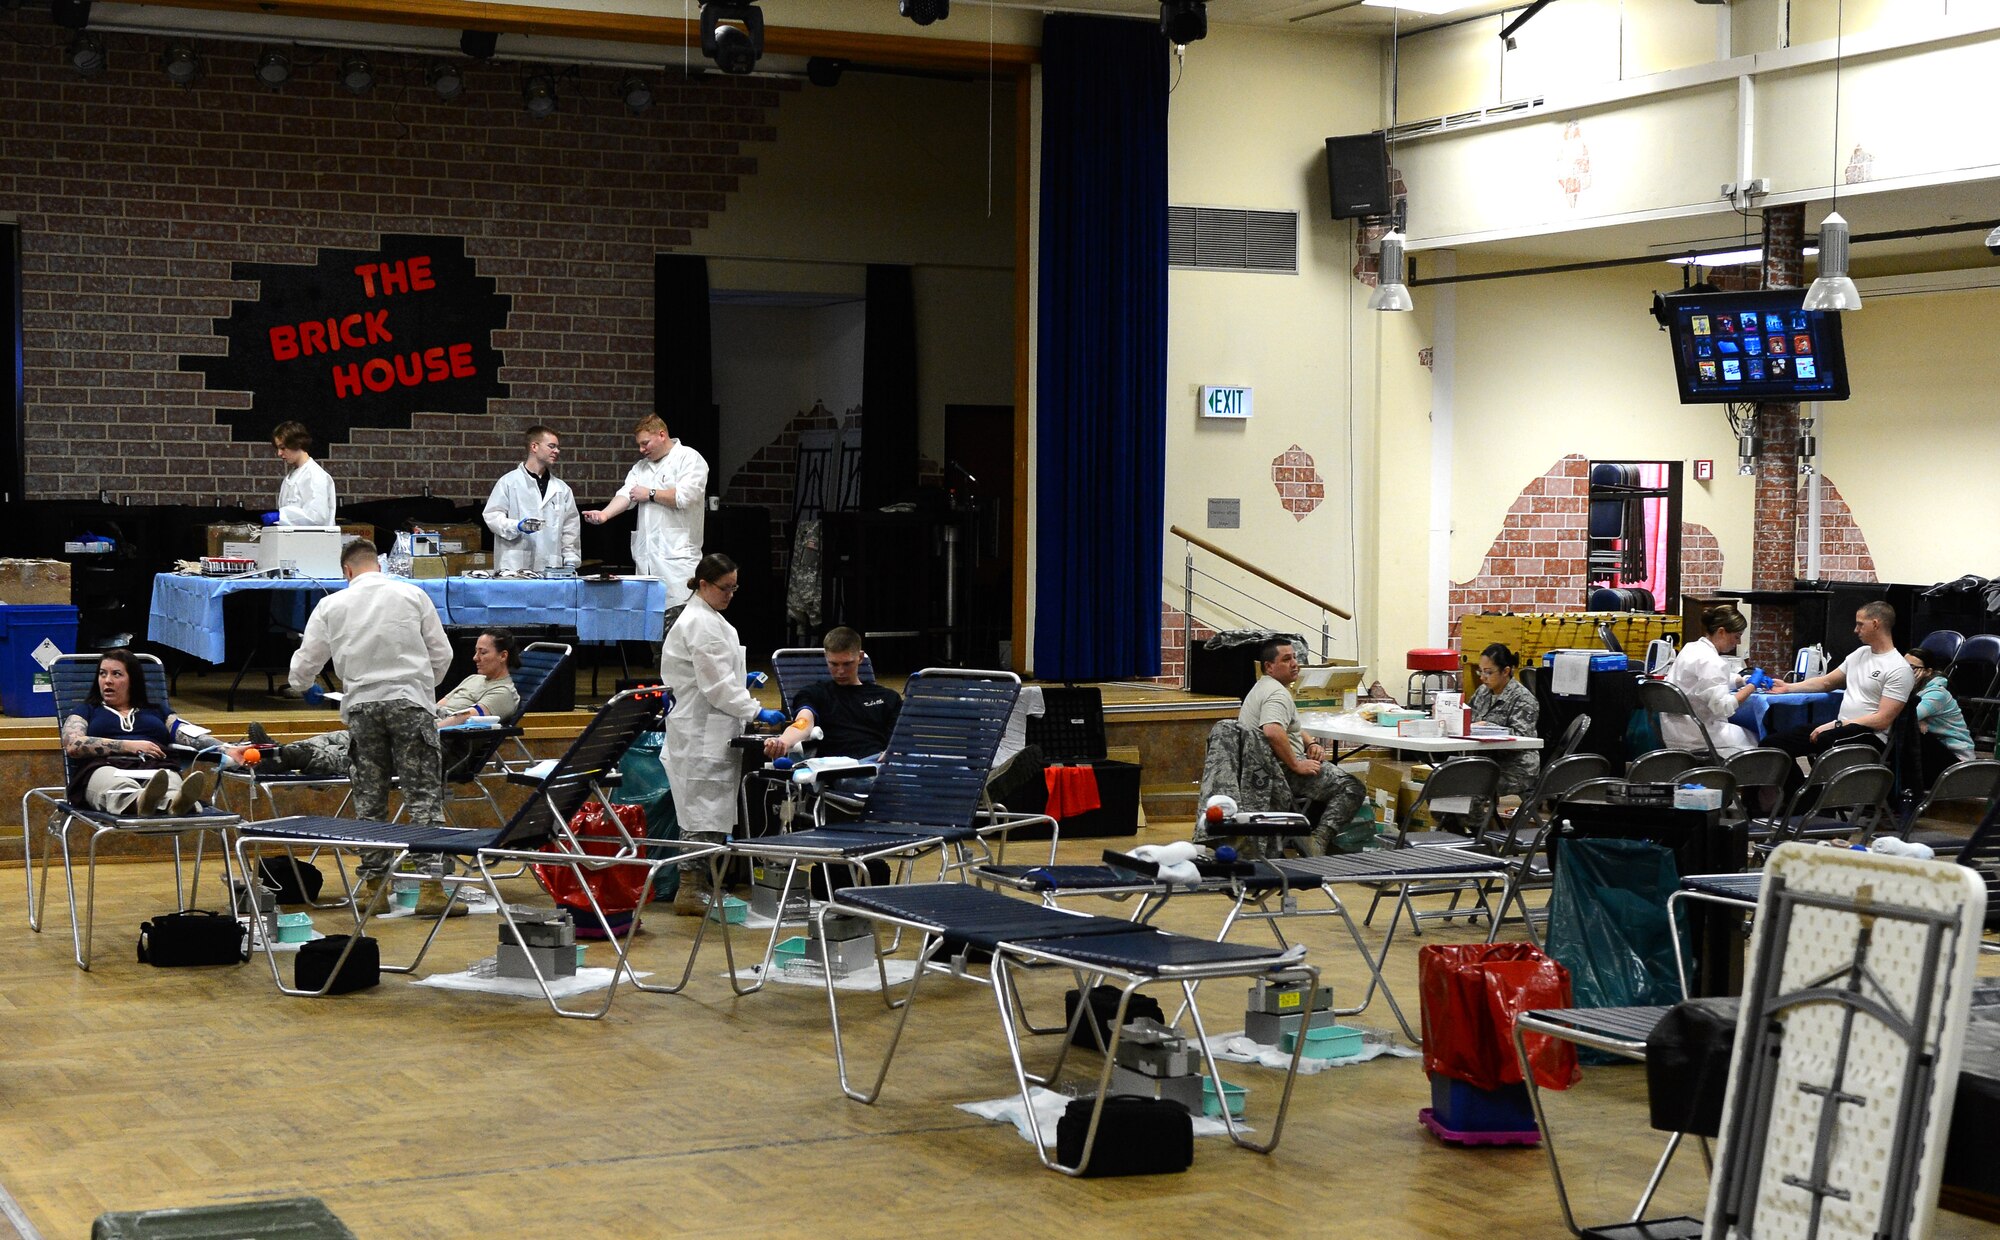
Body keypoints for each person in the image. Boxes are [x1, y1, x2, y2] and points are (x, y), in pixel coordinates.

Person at [288, 539, 455, 913]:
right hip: (410, 702)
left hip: (362, 706)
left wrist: (304, 686)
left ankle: (374, 889)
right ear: (377, 564)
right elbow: (442, 654)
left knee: (370, 799)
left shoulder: (331, 604)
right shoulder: (412, 594)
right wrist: (422, 689)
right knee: (423, 796)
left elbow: (304, 666)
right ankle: (431, 889)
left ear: (347, 570)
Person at [660, 553, 786, 915]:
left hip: (709, 729)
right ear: (703, 585)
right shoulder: (700, 623)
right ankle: (689, 890)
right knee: (701, 816)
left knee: (711, 816)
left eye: (735, 588)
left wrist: (739, 681)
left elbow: (715, 676)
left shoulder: (710, 618)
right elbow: (715, 687)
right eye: (724, 587)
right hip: (699, 734)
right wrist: (755, 709)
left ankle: (702, 887)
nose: (730, 594)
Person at [225, 629, 521, 779]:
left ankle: (283, 760)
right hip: (422, 726)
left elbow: (463, 718)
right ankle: (277, 752)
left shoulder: (504, 693)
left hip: (442, 747)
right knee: (344, 737)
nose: (475, 658)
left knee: (359, 754)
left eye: (483, 653)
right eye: (476, 651)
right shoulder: (473, 680)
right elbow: (435, 703)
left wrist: (419, 726)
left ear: (503, 656)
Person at [1237, 638, 1368, 854]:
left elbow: (1287, 725)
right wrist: (1297, 764)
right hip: (1280, 771)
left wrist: (1310, 742)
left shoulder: (1264, 687)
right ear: (1269, 667)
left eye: (1295, 657)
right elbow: (1272, 730)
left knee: (1327, 771)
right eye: (1286, 659)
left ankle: (1309, 834)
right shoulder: (1276, 694)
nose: (1295, 664)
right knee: (1352, 787)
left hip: (1262, 768)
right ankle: (1318, 839)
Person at [1767, 601, 1914, 786]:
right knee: (1773, 744)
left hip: (1869, 735)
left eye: (1860, 624)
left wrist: (1837, 724)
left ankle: (1819, 800)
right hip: (1842, 727)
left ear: (1876, 624)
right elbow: (1827, 682)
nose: (1855, 629)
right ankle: (1795, 799)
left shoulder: (1898, 668)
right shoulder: (1860, 654)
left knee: (1825, 738)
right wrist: (1788, 687)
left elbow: (1882, 719)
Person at [61, 649, 216, 816]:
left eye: (116, 674)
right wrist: (128, 746)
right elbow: (72, 744)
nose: (107, 681)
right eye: (102, 674)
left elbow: (190, 735)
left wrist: (227, 749)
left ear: (133, 680)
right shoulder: (86, 711)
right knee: (120, 787)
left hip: (155, 767)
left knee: (168, 780)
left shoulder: (158, 711)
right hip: (106, 766)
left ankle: (176, 803)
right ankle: (143, 801)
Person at [582, 415, 708, 607]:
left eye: (645, 443)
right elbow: (626, 494)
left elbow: (685, 496)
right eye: (639, 445)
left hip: (678, 562)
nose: (641, 450)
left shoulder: (689, 458)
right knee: (650, 619)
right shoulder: (641, 467)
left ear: (662, 435)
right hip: (647, 562)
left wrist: (650, 494)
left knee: (680, 616)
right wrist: (604, 514)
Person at [761, 627, 901, 762]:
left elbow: (901, 739)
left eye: (847, 664)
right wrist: (783, 742)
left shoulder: (888, 698)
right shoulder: (814, 694)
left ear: (860, 657)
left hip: (885, 766)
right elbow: (803, 723)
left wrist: (895, 752)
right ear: (826, 658)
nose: (840, 671)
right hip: (843, 769)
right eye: (834, 664)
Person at [1662, 603, 1760, 758]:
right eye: (1737, 636)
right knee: (1757, 739)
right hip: (1698, 735)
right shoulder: (1712, 661)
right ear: (1721, 632)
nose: (1738, 642)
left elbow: (1704, 681)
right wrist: (1752, 686)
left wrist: (1741, 680)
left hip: (1674, 731)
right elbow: (1724, 707)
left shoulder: (1691, 648)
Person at [483, 426, 580, 572]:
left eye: (558, 447)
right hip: (515, 566)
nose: (557, 451)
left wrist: (571, 560)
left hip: (551, 566)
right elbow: (492, 516)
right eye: (551, 446)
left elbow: (570, 529)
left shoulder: (562, 490)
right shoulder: (509, 482)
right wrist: (517, 526)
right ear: (534, 446)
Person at [1469, 643, 1541, 798]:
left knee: (1472, 788)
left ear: (1506, 671)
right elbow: (1467, 717)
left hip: (1515, 767)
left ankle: (1476, 822)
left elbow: (1522, 737)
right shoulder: (1482, 692)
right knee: (1442, 781)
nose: (1482, 677)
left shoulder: (1523, 699)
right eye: (1480, 671)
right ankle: (1452, 822)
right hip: (1483, 762)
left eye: (1488, 672)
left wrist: (1487, 727)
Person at [1906, 647, 1974, 785]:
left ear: (1927, 671)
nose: (1905, 671)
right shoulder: (1909, 691)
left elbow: (1905, 717)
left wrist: (1914, 721)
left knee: (1910, 732)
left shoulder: (1938, 694)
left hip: (1957, 760)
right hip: (1936, 753)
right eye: (1902, 666)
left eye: (1912, 667)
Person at [266, 421, 336, 526]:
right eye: (278, 448)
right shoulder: (293, 476)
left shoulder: (314, 475)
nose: (279, 453)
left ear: (297, 443)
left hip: (313, 540)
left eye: (283, 448)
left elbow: (317, 517)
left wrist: (282, 516)